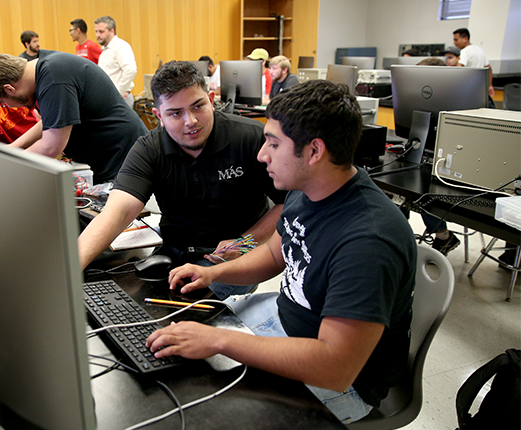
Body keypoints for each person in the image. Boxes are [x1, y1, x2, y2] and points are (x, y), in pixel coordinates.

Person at [146, 80, 417, 424]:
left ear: (315, 151)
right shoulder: (308, 188)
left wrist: (219, 340)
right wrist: (215, 272)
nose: (262, 155)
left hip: (340, 380)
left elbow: (334, 368)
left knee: (205, 411)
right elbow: (276, 251)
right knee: (179, 359)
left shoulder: (368, 241)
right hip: (284, 321)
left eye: (273, 144)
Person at [78, 61, 286, 299]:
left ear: (210, 99)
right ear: (159, 116)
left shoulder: (249, 137)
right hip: (174, 251)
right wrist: (69, 270)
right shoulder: (149, 149)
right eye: (175, 113)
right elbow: (118, 212)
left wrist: (244, 243)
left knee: (189, 314)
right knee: (128, 298)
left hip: (231, 258)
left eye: (198, 106)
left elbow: (286, 203)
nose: (191, 121)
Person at [0, 51, 147, 184]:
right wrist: (13, 148)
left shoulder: (54, 78)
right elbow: (51, 121)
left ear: (9, 89)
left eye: (3, 103)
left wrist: (8, 166)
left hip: (123, 158)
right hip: (113, 157)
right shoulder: (45, 70)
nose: (8, 107)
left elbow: (51, 146)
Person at [414, 56, 461, 254]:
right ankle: (396, 233)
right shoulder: (422, 96)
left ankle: (443, 236)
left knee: (423, 191)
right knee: (399, 188)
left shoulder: (464, 93)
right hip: (427, 154)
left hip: (457, 160)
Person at [94, 15, 137, 108]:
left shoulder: (121, 46)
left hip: (120, 99)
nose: (98, 35)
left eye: (101, 31)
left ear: (112, 31)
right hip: (110, 98)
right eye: (96, 31)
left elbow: (130, 70)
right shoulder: (105, 50)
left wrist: (119, 92)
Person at [453, 28, 494, 99]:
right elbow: (489, 68)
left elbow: (458, 69)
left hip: (468, 88)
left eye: (456, 40)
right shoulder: (480, 49)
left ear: (465, 39)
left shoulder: (465, 51)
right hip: (480, 88)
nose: (454, 43)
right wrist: (490, 85)